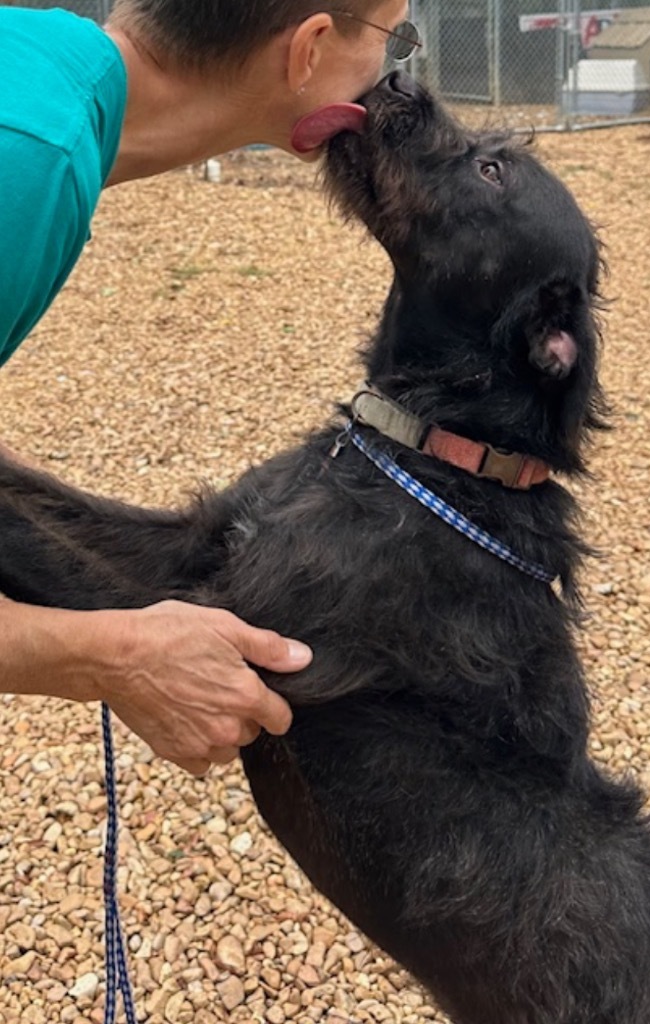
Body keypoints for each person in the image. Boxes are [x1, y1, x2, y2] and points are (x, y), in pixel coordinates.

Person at [0, 0, 419, 776]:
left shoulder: (31, 73)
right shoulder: (25, 163)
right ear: (309, 52)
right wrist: (106, 656)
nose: (390, 77)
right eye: (395, 42)